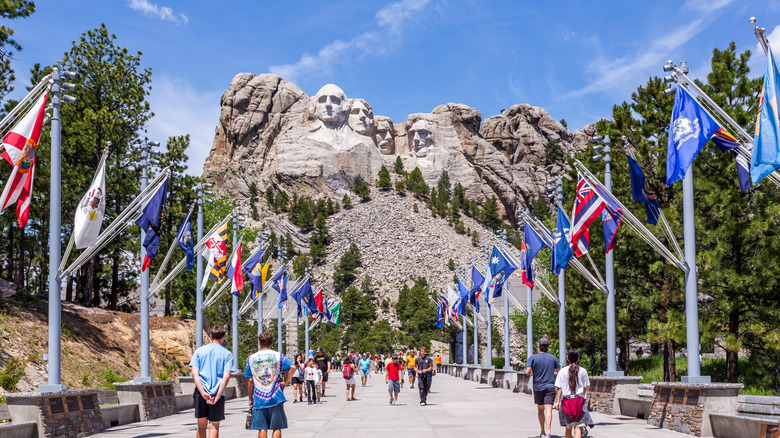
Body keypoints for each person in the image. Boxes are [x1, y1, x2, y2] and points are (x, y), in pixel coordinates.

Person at [245, 332, 295, 438]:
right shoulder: (278, 356)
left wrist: (250, 398)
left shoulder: (251, 358)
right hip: (276, 395)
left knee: (262, 428)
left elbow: (250, 381)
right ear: (271, 343)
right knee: (277, 427)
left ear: (259, 343)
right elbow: (293, 367)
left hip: (259, 397)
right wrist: (286, 382)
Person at [190, 326, 233, 438]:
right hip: (217, 393)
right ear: (223, 338)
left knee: (201, 425)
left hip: (201, 393)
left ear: (210, 336)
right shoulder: (227, 354)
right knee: (214, 426)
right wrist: (218, 396)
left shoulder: (199, 351)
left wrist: (203, 392)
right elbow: (226, 377)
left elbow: (195, 373)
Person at [554, 349, 595, 438]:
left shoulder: (562, 371)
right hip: (579, 401)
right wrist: (582, 397)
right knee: (578, 427)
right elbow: (586, 387)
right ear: (578, 358)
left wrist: (557, 402)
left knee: (568, 427)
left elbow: (559, 388)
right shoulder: (583, 371)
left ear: (567, 358)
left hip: (566, 402)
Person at [527, 338, 561, 438]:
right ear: (548, 346)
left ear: (539, 346)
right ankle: (549, 432)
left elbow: (528, 371)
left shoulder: (533, 358)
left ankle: (542, 431)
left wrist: (532, 371)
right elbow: (559, 370)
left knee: (540, 409)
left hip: (538, 387)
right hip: (550, 386)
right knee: (549, 409)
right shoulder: (553, 358)